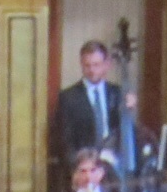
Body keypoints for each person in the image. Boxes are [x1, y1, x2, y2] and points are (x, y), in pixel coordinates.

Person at [52, 39, 130, 181]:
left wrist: (129, 109)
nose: (92, 70)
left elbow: (122, 132)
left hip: (113, 168)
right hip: (84, 169)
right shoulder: (69, 97)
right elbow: (65, 140)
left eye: (96, 65)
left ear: (106, 64)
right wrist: (79, 169)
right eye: (87, 65)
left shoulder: (117, 93)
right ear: (81, 64)